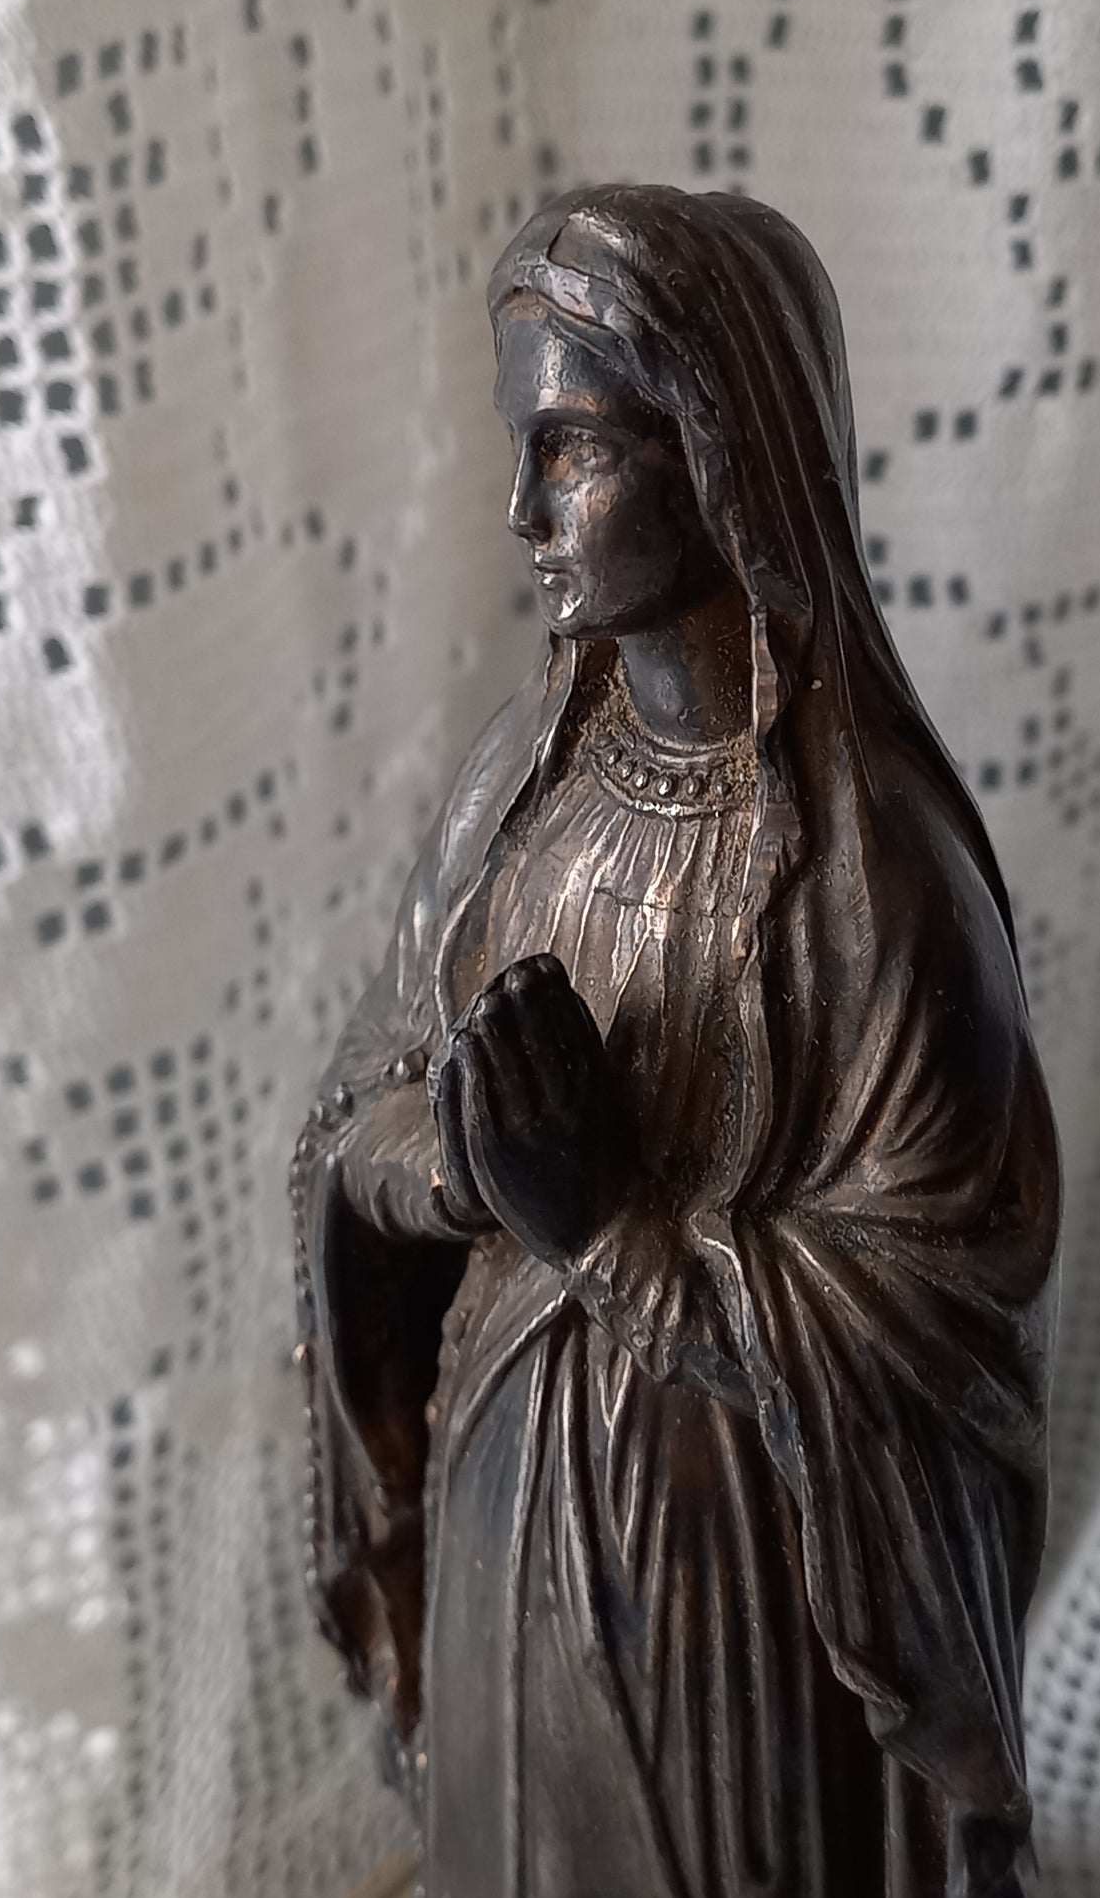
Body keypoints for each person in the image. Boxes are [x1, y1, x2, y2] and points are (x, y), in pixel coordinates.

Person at [291, 184, 1060, 1898]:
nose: (520, 508)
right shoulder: (516, 792)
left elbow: (933, 1333)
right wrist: (464, 1162)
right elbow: (366, 1103)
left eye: (571, 449)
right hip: (506, 1487)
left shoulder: (881, 884)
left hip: (731, 1575)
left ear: (717, 453)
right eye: (522, 448)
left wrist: (609, 1230)